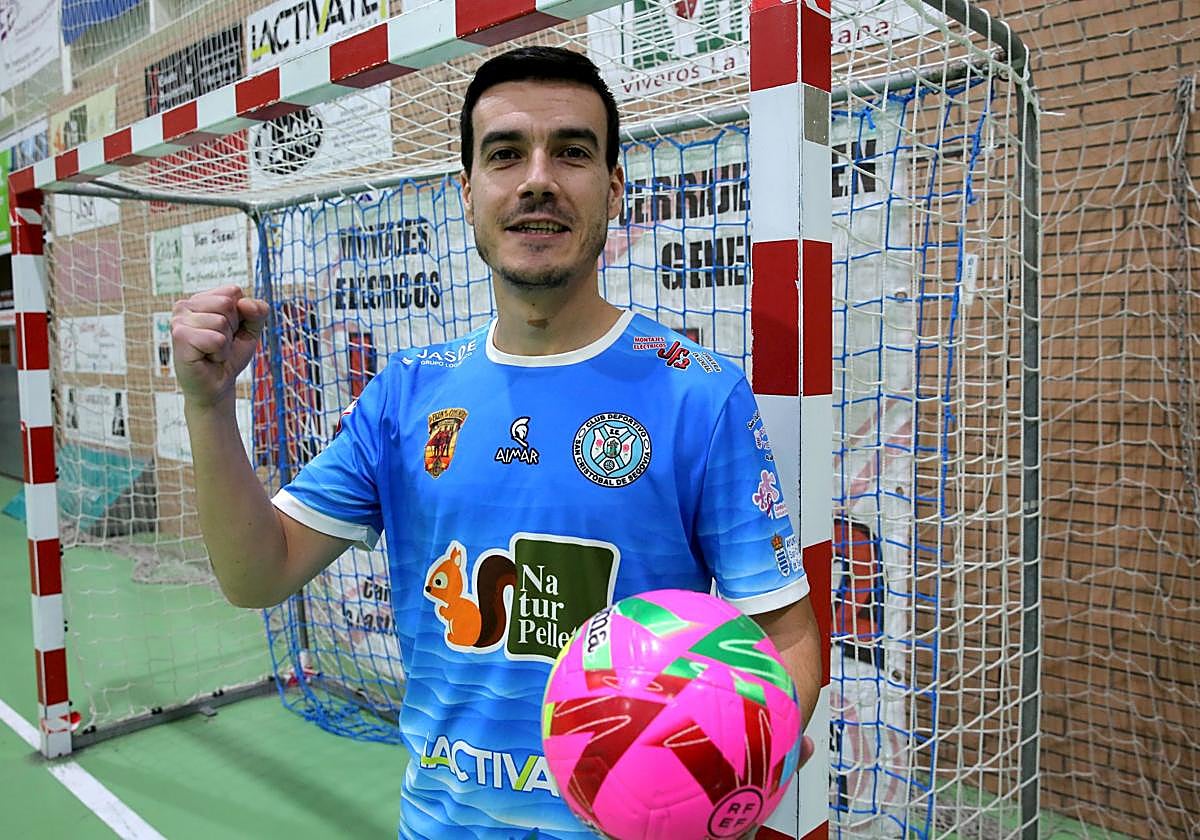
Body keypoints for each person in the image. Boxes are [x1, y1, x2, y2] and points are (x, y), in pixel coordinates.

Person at [172, 46, 821, 840]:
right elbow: (257, 572)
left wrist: (751, 755)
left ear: (614, 189)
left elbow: (784, 632)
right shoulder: (407, 393)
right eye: (506, 153)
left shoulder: (698, 392)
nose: (538, 179)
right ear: (470, 191)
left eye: (573, 152)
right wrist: (209, 407)